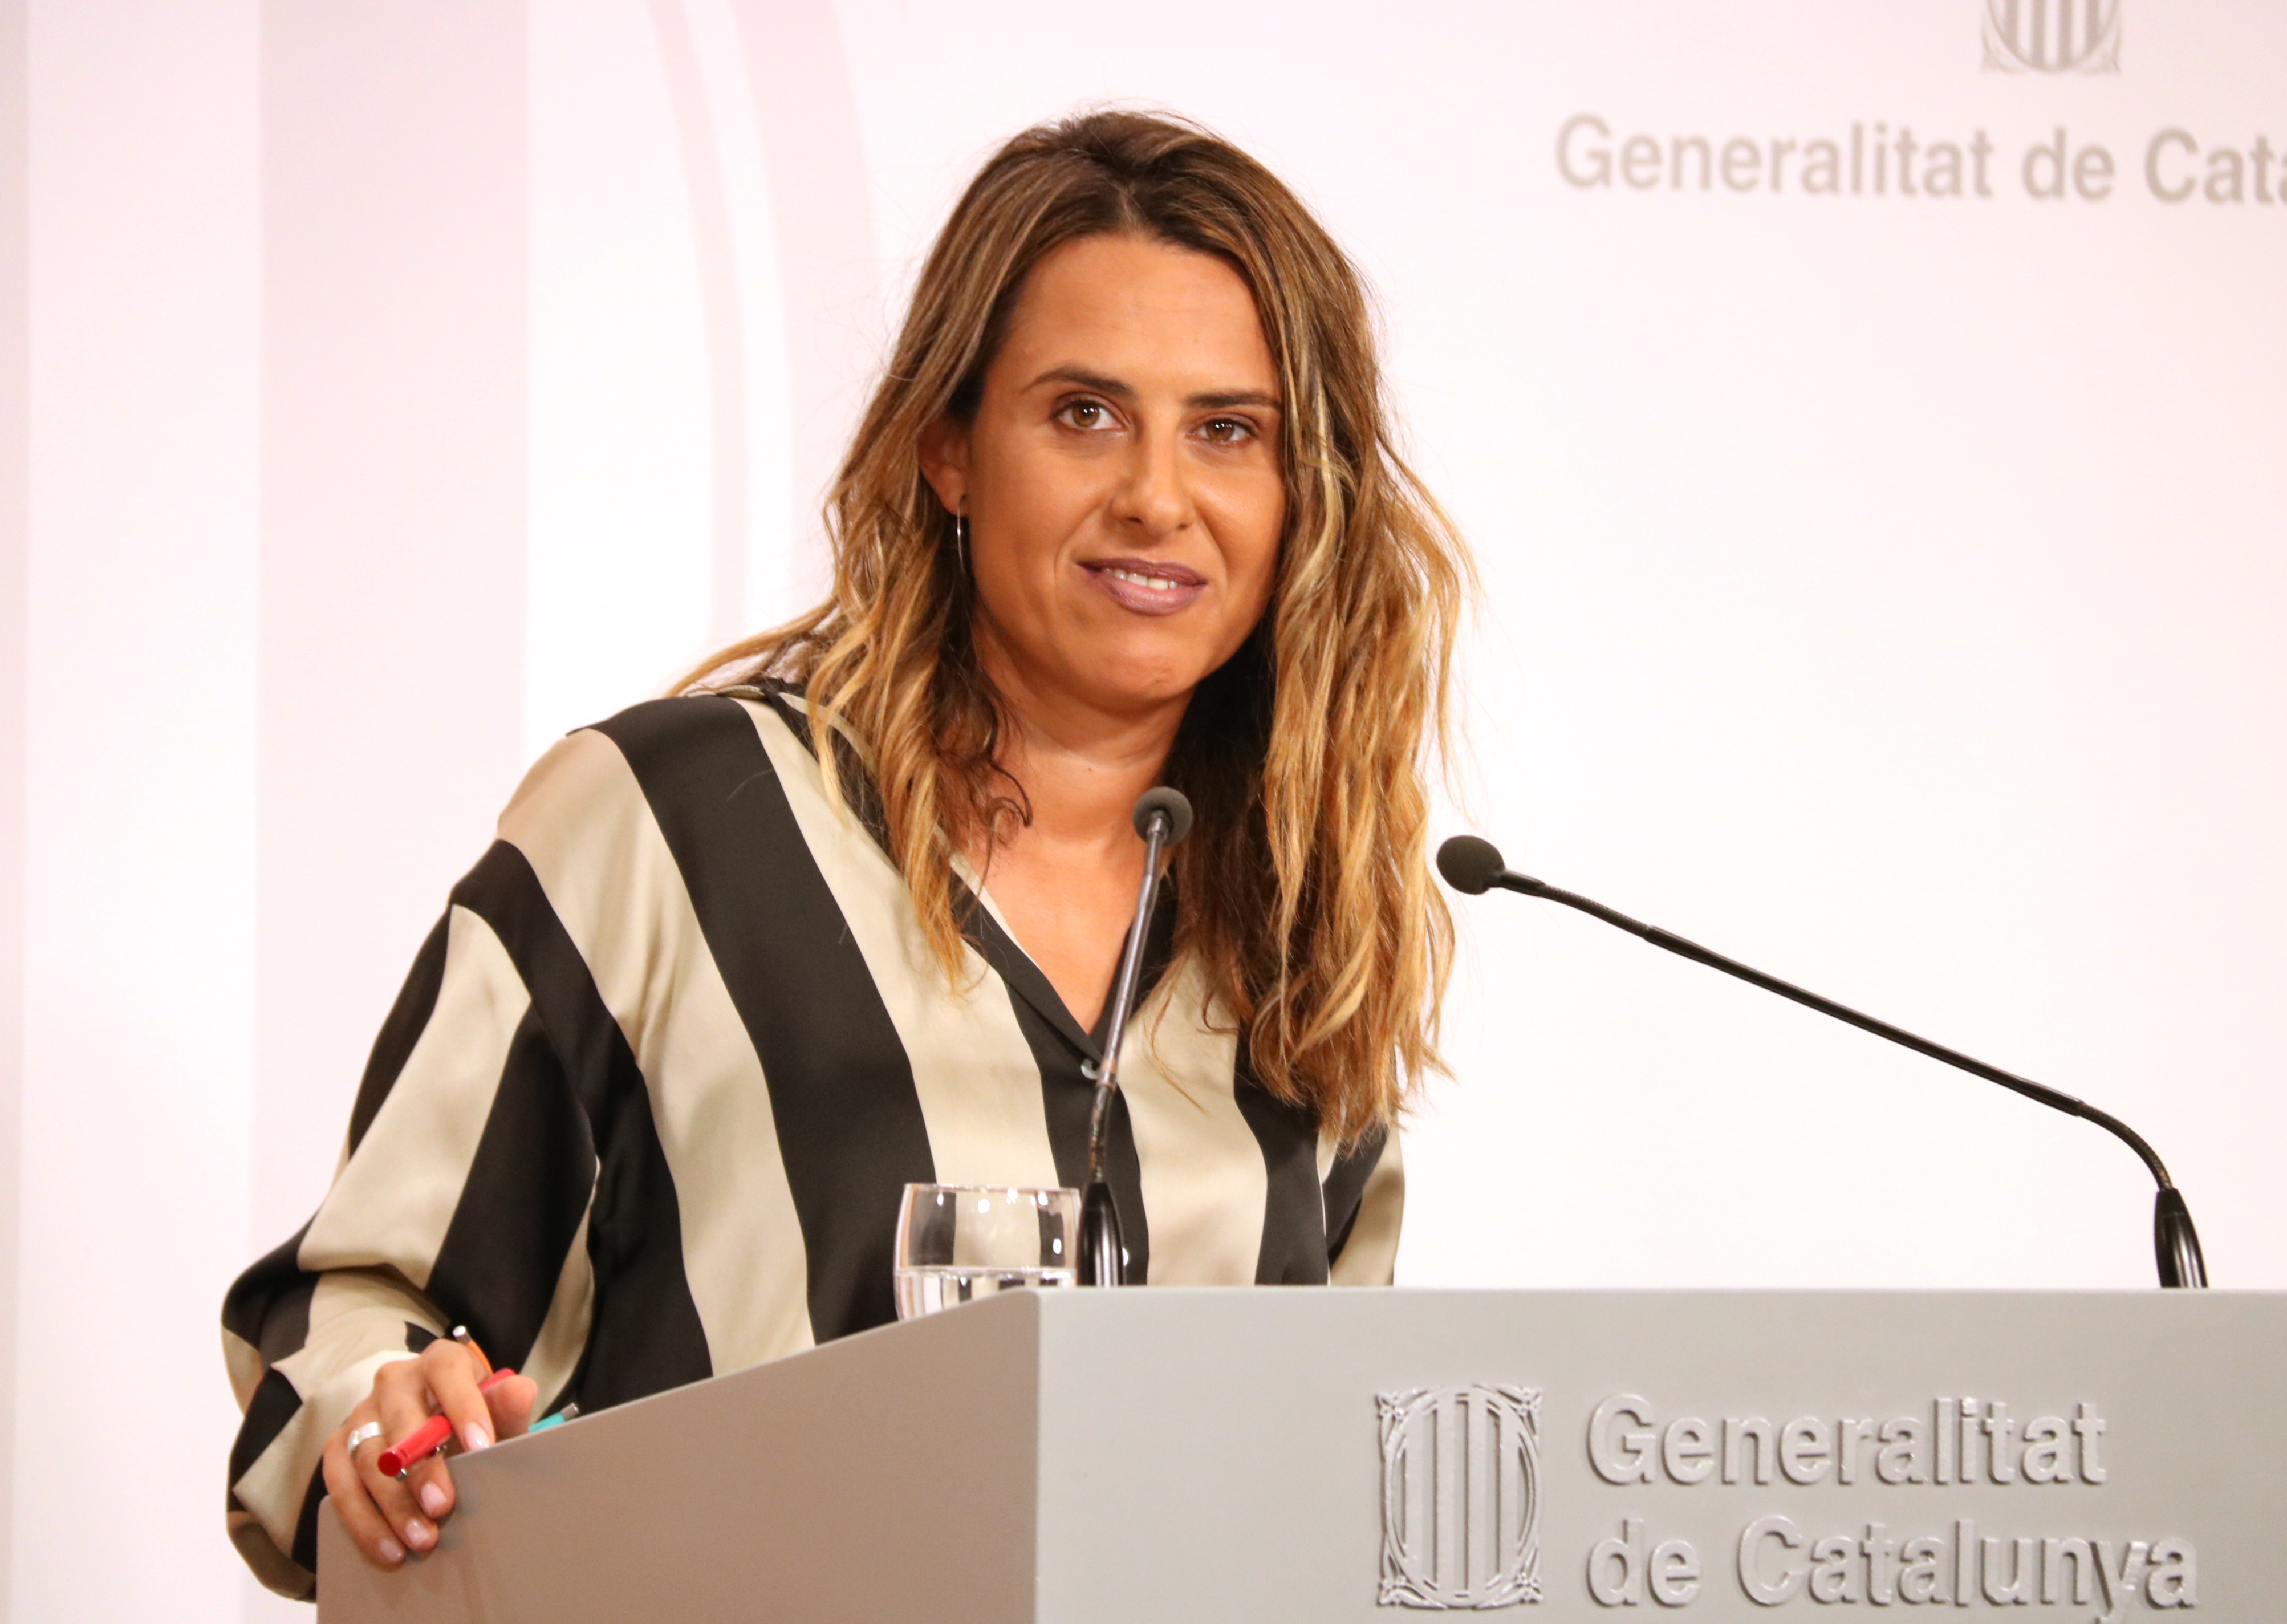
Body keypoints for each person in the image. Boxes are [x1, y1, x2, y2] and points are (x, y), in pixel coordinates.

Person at [220, 108, 1471, 1597]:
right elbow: (350, 1310)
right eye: (1083, 412)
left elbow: (1334, 1473)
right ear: (949, 449)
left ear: (1300, 495)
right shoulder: (673, 826)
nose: (1157, 493)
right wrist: (386, 1412)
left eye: (1228, 430)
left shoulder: (1302, 925)